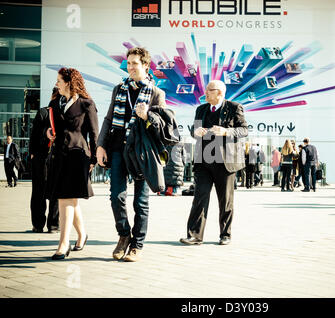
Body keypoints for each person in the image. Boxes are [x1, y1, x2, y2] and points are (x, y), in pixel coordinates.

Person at [97, 47, 167, 262]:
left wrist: (147, 116)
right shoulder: (119, 89)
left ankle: (137, 245)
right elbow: (109, 119)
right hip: (118, 148)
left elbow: (162, 127)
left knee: (140, 202)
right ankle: (124, 234)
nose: (131, 67)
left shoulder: (156, 93)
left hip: (141, 153)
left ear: (146, 66)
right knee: (116, 197)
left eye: (135, 63)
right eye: (128, 64)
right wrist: (101, 146)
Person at [180, 79, 248, 246]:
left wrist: (226, 131)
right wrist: (195, 131)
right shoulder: (201, 109)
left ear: (219, 92)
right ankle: (195, 235)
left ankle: (225, 234)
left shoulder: (234, 107)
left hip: (225, 161)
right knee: (199, 198)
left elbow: (244, 130)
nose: (205, 93)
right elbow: (193, 130)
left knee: (225, 200)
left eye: (209, 90)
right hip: (203, 159)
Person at [46, 67, 98, 260]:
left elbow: (94, 134)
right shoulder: (54, 102)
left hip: (78, 156)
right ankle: (82, 234)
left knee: (65, 198)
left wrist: (94, 160)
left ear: (68, 82)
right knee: (69, 199)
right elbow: (49, 127)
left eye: (59, 80)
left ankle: (63, 244)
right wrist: (48, 133)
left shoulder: (86, 104)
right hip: (58, 155)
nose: (56, 83)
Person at [29, 88, 59, 233]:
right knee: (39, 192)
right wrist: (33, 154)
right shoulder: (44, 112)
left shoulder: (64, 113)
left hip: (57, 158)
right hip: (41, 157)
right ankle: (39, 224)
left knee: (55, 192)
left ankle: (52, 224)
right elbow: (34, 135)